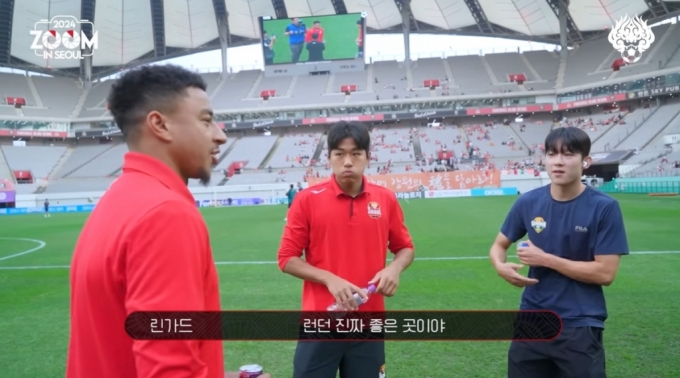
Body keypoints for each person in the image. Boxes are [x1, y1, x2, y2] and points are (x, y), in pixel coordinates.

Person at [66, 64, 272, 378]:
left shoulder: (117, 200)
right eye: (206, 120)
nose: (220, 135)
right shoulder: (165, 214)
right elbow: (169, 370)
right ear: (160, 125)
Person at [277, 121, 415, 378]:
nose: (348, 162)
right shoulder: (307, 200)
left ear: (367, 157)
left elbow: (405, 247)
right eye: (340, 154)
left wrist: (394, 268)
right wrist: (329, 279)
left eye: (356, 154)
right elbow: (287, 259)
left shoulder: (385, 199)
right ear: (329, 158)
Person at [488, 127, 629, 378]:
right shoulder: (528, 202)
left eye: (568, 154)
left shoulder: (604, 208)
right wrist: (500, 267)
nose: (558, 162)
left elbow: (605, 273)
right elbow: (499, 245)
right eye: (552, 154)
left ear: (586, 162)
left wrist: (545, 259)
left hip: (580, 324)